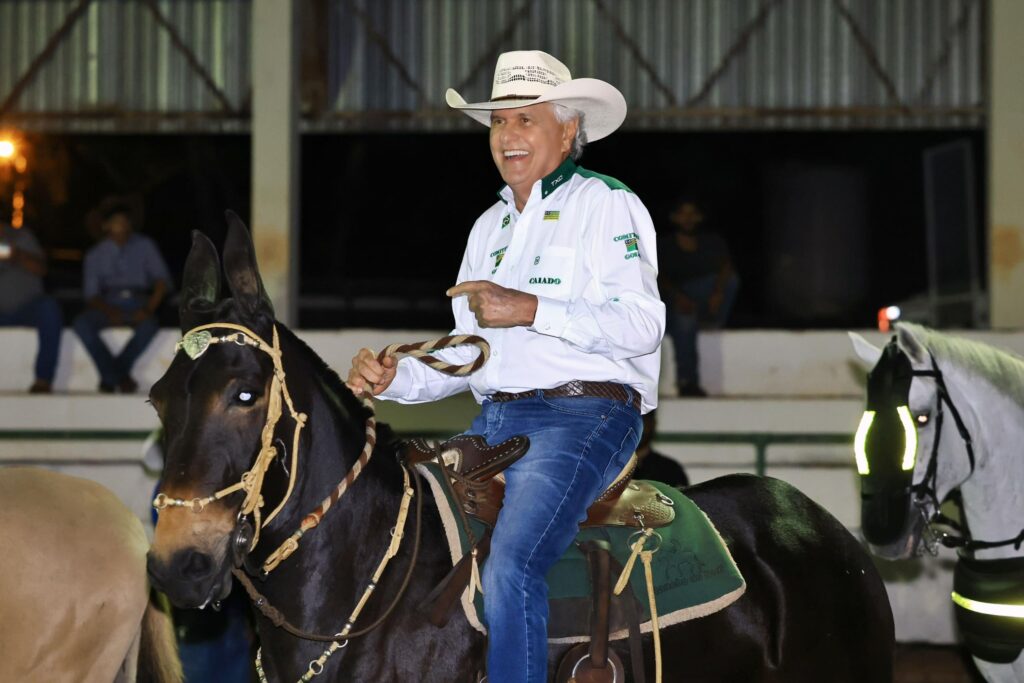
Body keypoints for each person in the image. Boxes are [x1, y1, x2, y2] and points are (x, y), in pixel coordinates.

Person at [347, 50, 664, 683]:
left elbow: (644, 326)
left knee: (513, 563)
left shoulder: (606, 205)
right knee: (405, 539)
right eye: (499, 123)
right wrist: (396, 379)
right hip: (495, 416)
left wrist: (531, 309)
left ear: (568, 130)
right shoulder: (487, 227)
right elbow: (469, 352)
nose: (508, 137)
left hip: (586, 415)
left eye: (526, 120)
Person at [73, 199, 171, 393]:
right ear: (106, 225)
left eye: (125, 221)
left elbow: (162, 282)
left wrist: (148, 308)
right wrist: (109, 310)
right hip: (107, 303)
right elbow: (91, 294)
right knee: (82, 324)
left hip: (138, 300)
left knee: (149, 324)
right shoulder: (95, 254)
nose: (122, 226)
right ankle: (121, 376)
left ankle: (111, 376)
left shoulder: (145, 245)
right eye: (116, 221)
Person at [657, 197, 738, 397]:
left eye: (692, 214)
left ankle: (712, 320)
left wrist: (718, 293)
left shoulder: (712, 242)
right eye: (683, 214)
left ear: (700, 217)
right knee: (684, 320)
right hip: (672, 303)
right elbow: (657, 277)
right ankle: (688, 382)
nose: (688, 219)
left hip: (704, 299)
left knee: (731, 280)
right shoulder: (663, 245)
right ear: (674, 218)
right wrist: (678, 297)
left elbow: (726, 267)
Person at [0, 220, 63, 393]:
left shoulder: (21, 236)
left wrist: (18, 256)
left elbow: (42, 269)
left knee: (49, 307)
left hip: (27, 308)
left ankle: (43, 379)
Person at [632, 410, 689, 488]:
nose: (636, 427)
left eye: (642, 420)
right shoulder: (611, 468)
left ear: (652, 423)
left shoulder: (670, 470)